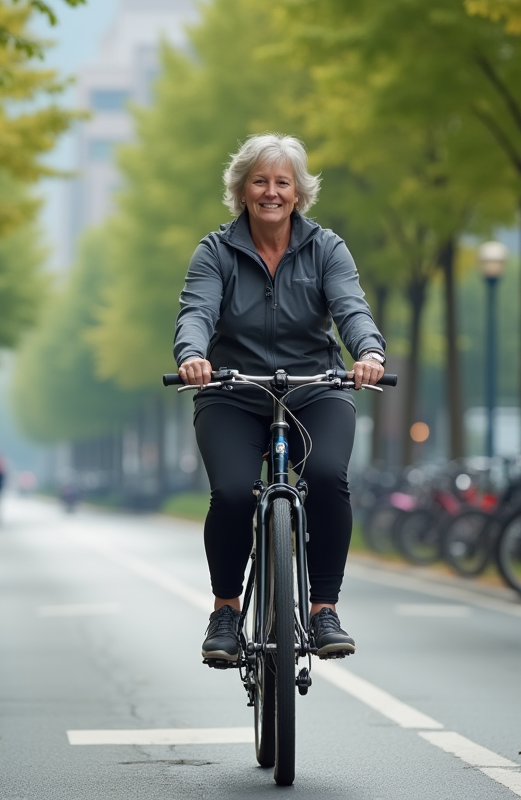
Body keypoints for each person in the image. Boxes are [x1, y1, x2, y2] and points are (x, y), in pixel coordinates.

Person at [173, 133, 386, 664]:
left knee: (330, 475)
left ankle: (323, 609)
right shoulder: (216, 250)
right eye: (260, 181)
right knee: (232, 493)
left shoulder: (326, 248)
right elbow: (196, 310)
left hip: (315, 388)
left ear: (299, 192)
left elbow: (350, 308)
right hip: (232, 390)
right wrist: (193, 355)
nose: (271, 191)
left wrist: (368, 352)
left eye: (282, 182)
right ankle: (226, 608)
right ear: (242, 190)